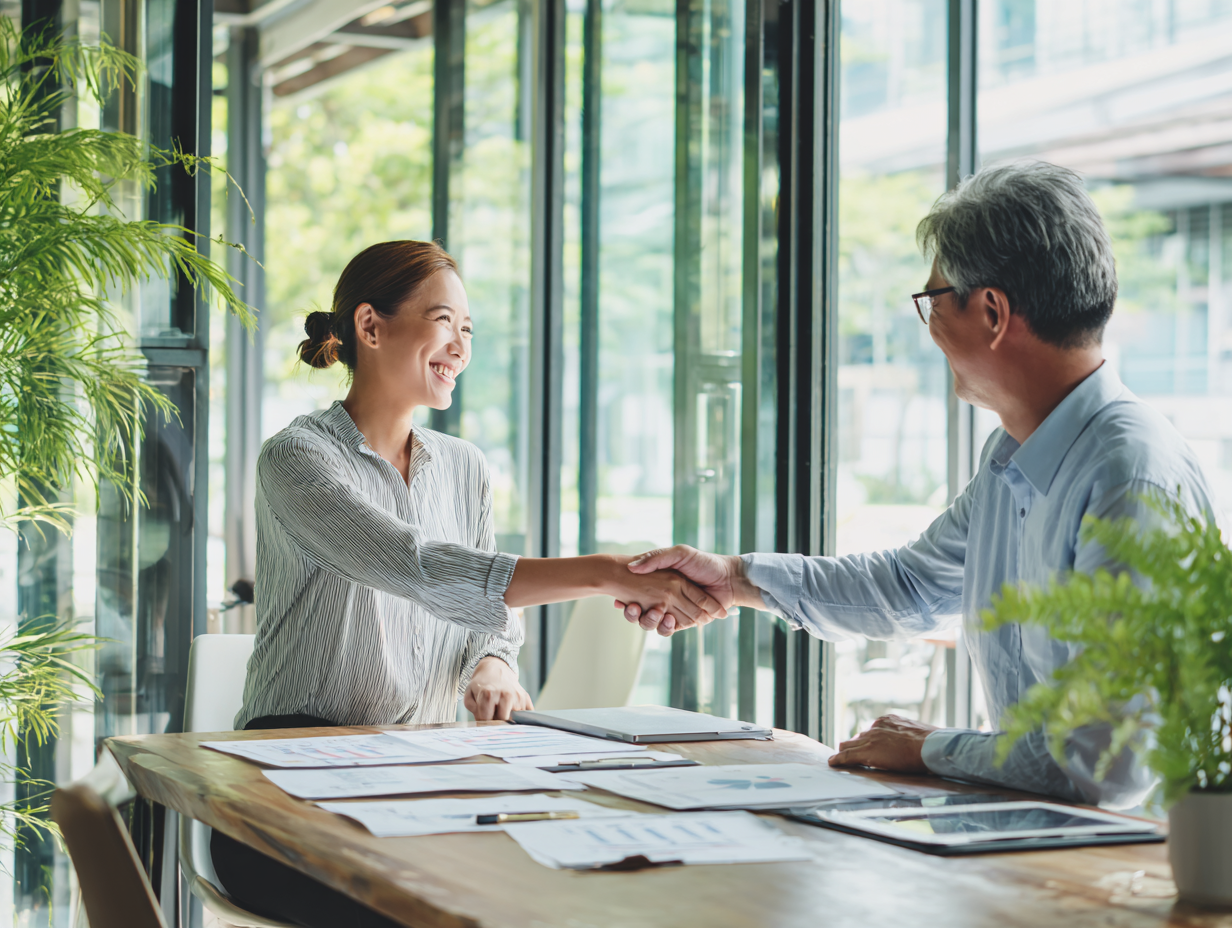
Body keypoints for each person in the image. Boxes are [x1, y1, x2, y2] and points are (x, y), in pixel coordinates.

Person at [621, 162, 1218, 810]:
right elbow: (908, 588)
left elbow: (1107, 764)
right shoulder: (1010, 456)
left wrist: (931, 748)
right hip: (1029, 847)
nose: (927, 324)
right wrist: (735, 579)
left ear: (991, 311)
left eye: (932, 300)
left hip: (1118, 876)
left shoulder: (1128, 476)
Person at [212, 240, 725, 928]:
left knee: (550, 884)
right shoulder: (297, 458)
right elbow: (416, 567)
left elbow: (485, 611)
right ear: (370, 327)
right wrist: (606, 573)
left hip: (417, 771)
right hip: (288, 780)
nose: (461, 346)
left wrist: (491, 659)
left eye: (470, 330)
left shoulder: (464, 466)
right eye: (445, 321)